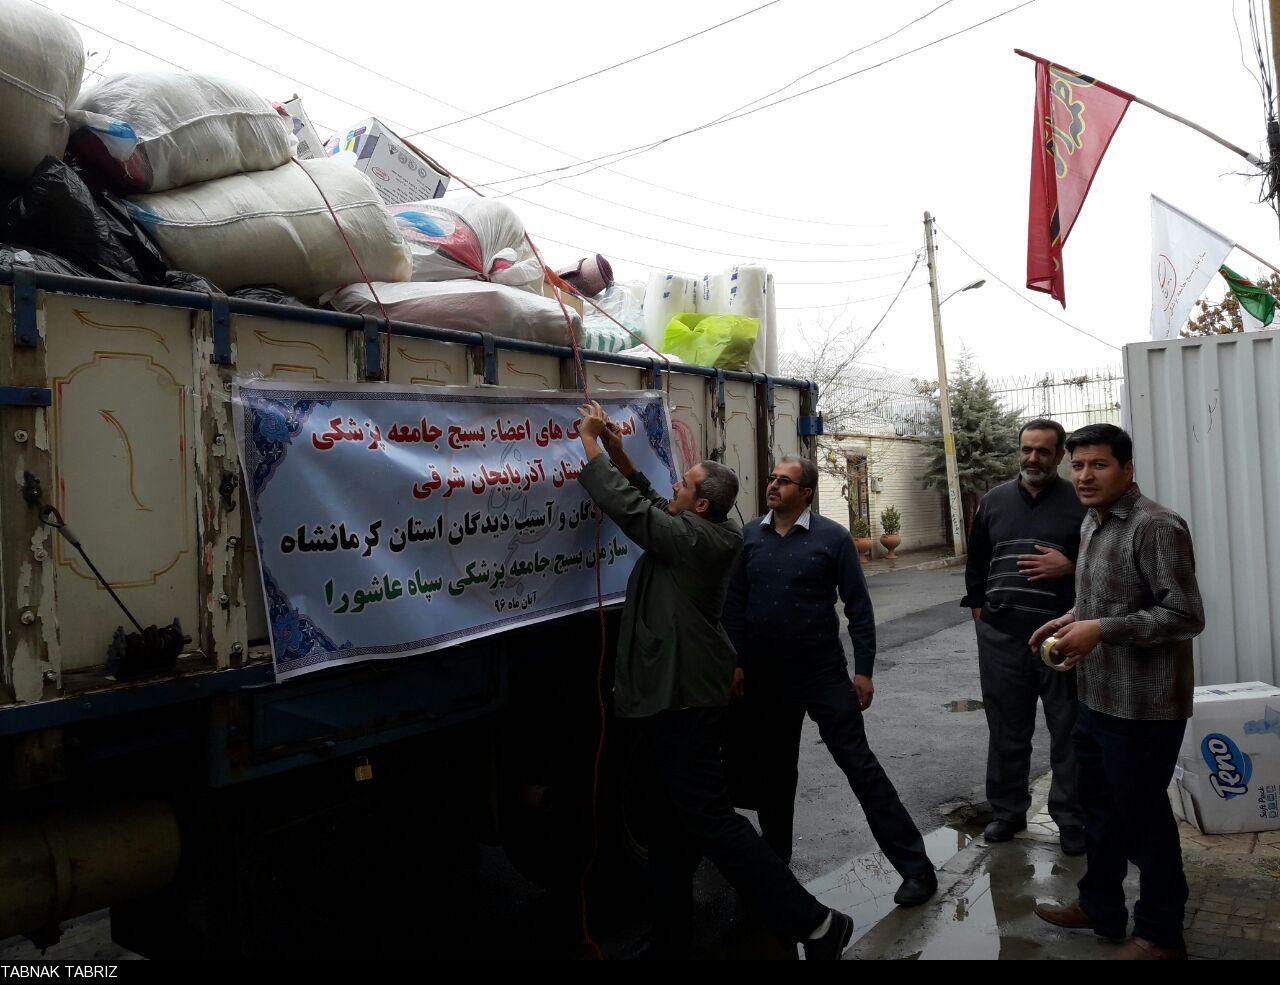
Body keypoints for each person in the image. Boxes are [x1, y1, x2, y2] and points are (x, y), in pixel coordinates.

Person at [573, 401, 853, 960]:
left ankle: (817, 922)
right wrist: (619, 451)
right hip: (667, 696)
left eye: (683, 484)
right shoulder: (699, 526)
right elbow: (654, 504)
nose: (672, 487)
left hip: (683, 697)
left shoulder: (702, 541)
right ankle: (671, 940)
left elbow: (634, 511)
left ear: (699, 505)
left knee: (710, 819)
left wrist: (587, 445)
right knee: (667, 826)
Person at [721, 455, 937, 907]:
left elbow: (858, 607)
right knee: (774, 775)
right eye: (772, 478)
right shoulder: (751, 537)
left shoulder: (832, 538)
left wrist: (864, 670)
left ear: (806, 492)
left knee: (859, 766)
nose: (774, 485)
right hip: (765, 676)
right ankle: (776, 870)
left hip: (821, 673)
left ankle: (916, 869)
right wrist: (738, 662)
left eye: (785, 481)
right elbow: (735, 604)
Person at [1030, 424, 1204, 961]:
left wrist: (1100, 631)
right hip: (1096, 695)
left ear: (1127, 469)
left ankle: (1159, 935)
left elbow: (1184, 615)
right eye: (1078, 466)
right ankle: (1101, 906)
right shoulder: (1091, 522)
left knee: (1144, 821)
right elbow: (1100, 600)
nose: (1084, 476)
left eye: (1098, 465)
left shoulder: (1156, 526)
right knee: (1098, 811)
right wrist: (1070, 620)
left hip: (1144, 708)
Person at [962, 419, 1087, 855]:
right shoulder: (994, 501)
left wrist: (1070, 567)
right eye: (1027, 449)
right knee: (1007, 728)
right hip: (1001, 636)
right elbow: (976, 561)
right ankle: (1007, 813)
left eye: (1043, 451)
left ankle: (1071, 820)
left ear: (1060, 456)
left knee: (1068, 731)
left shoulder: (1080, 501)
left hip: (1061, 638)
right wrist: (981, 613)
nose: (1033, 458)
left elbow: (1104, 564)